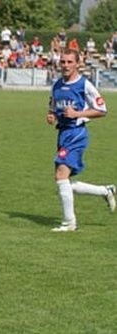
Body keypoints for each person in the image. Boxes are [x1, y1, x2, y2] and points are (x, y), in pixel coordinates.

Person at [46, 48, 115, 232]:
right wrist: (52, 116)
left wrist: (78, 113)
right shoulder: (57, 85)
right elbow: (53, 106)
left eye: (69, 62)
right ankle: (105, 191)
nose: (66, 65)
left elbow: (102, 110)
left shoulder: (85, 85)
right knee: (64, 181)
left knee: (61, 175)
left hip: (77, 134)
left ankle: (69, 223)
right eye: (63, 62)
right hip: (63, 134)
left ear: (78, 63)